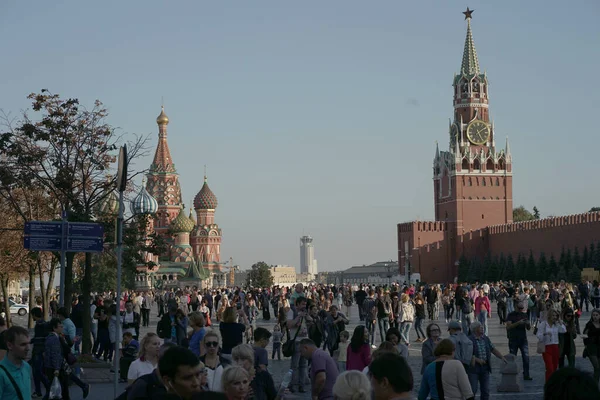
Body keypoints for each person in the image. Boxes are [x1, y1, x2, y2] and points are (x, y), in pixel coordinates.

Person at [467, 321, 506, 400]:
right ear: (475, 329)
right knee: (473, 390)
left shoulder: (485, 338)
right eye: (480, 327)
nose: (482, 328)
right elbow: (467, 354)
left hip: (485, 368)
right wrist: (477, 360)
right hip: (474, 369)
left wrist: (501, 357)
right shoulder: (469, 340)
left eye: (482, 326)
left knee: (486, 390)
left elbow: (493, 349)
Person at [0, 326, 31, 400]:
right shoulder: (1, 373)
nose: (28, 348)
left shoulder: (26, 366)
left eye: (28, 343)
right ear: (9, 345)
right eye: (23, 344)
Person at [286, 297, 309, 393]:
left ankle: (301, 385)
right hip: (296, 341)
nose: (304, 306)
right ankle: (293, 384)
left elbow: (311, 321)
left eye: (305, 304)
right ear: (297, 304)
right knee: (295, 365)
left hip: (305, 341)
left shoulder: (305, 312)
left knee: (303, 365)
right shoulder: (292, 312)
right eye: (302, 304)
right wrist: (299, 316)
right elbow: (289, 325)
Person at [536, 309, 566, 381]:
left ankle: (553, 382)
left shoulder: (556, 324)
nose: (554, 317)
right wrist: (545, 334)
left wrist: (560, 322)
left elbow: (563, 330)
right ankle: (548, 383)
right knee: (549, 368)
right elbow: (538, 335)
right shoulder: (543, 324)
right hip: (547, 347)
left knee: (555, 367)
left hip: (555, 346)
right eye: (553, 315)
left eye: (556, 316)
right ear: (549, 315)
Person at [505, 302, 532, 380]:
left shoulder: (524, 315)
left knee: (526, 358)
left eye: (522, 308)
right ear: (515, 307)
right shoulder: (511, 315)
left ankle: (526, 374)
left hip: (523, 339)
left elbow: (528, 328)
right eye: (519, 308)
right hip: (513, 339)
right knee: (512, 358)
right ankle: (511, 375)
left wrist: (528, 324)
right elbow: (508, 327)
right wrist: (518, 323)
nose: (521, 310)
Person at [44, 318, 69, 400]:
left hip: (51, 367)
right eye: (60, 326)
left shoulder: (51, 337)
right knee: (59, 390)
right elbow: (55, 355)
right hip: (54, 368)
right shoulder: (54, 338)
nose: (62, 328)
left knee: (54, 390)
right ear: (54, 328)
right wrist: (57, 368)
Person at [582, 308, 600, 383]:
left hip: (599, 347)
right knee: (596, 367)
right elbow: (584, 335)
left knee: (598, 368)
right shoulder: (589, 325)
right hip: (591, 347)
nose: (595, 317)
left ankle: (595, 383)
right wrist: (586, 345)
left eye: (597, 315)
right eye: (593, 315)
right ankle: (594, 385)